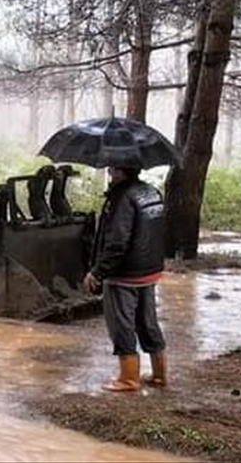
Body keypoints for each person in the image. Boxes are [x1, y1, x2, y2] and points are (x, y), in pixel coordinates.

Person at [83, 163, 169, 393]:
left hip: (125, 274)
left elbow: (117, 242)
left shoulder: (121, 199)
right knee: (148, 322)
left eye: (112, 168)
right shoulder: (151, 192)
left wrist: (98, 272)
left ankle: (129, 378)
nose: (110, 172)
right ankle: (160, 375)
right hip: (149, 271)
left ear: (120, 171)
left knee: (121, 324)